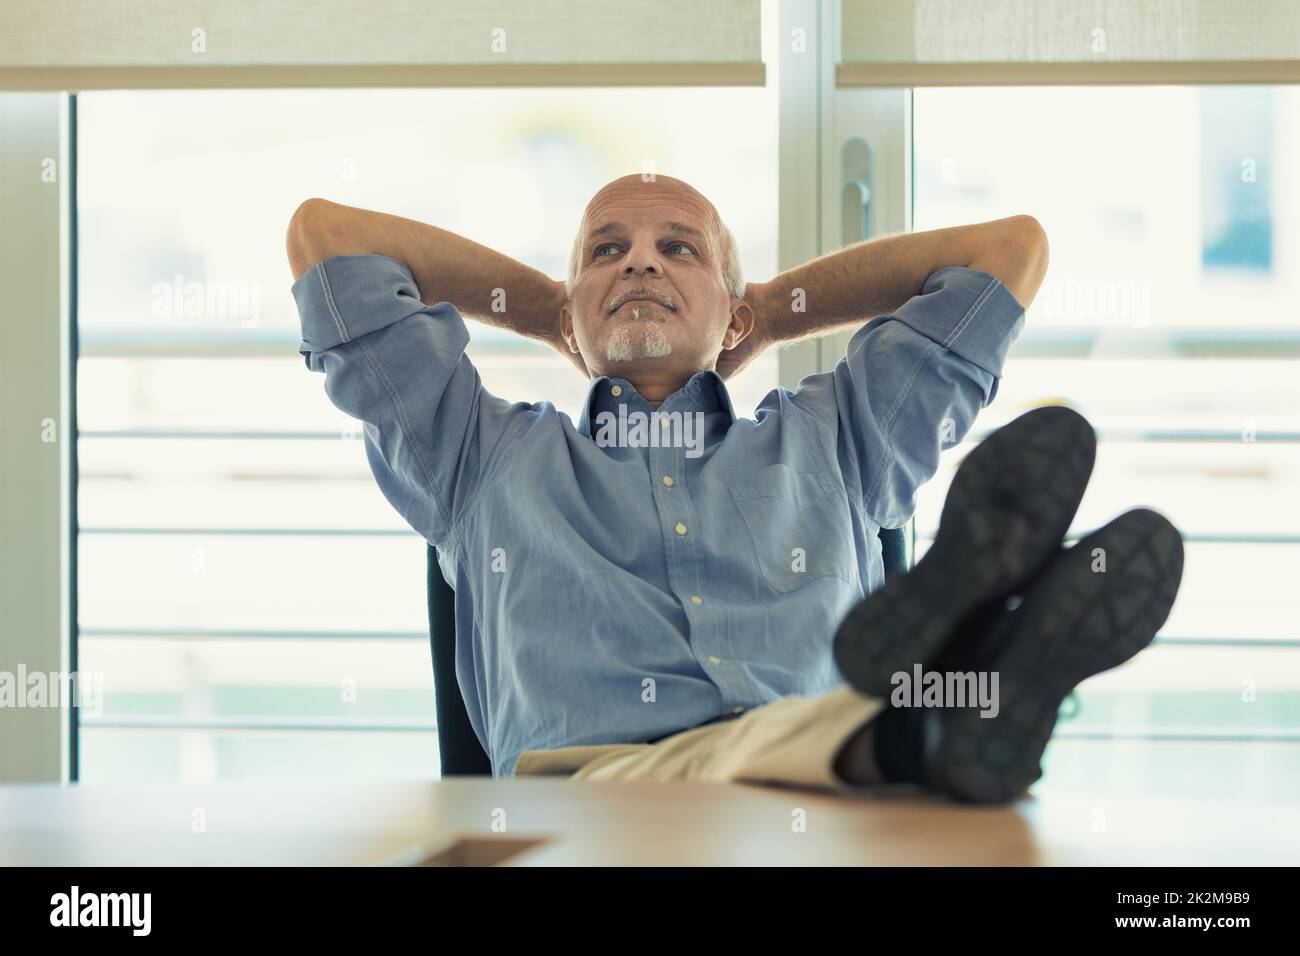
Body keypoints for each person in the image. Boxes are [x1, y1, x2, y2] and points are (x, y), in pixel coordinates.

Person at [287, 174, 1183, 804]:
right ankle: (960, 688)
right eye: (610, 251)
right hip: (599, 807)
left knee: (857, 764)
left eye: (677, 249)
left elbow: (1006, 252)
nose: (641, 263)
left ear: (736, 313)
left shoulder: (838, 437)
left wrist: (764, 311)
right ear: (570, 311)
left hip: (824, 814)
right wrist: (556, 314)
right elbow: (326, 238)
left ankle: (942, 710)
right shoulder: (476, 456)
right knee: (853, 738)